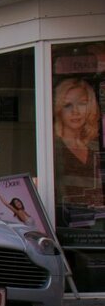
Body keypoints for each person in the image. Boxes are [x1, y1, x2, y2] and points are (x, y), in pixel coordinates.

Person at [53, 78, 103, 223]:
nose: (75, 111)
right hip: (66, 224)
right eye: (67, 105)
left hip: (97, 222)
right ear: (58, 109)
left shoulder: (95, 146)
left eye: (82, 103)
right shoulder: (53, 148)